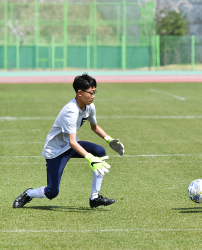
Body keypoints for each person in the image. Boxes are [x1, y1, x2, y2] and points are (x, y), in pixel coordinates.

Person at [13, 73, 125, 209]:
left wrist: (109, 139)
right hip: (56, 151)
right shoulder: (71, 111)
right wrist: (90, 158)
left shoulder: (90, 107)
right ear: (79, 93)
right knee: (52, 192)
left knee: (100, 151)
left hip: (71, 145)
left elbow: (94, 127)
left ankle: (94, 198)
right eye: (90, 93)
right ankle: (29, 194)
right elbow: (72, 142)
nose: (93, 96)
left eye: (95, 92)